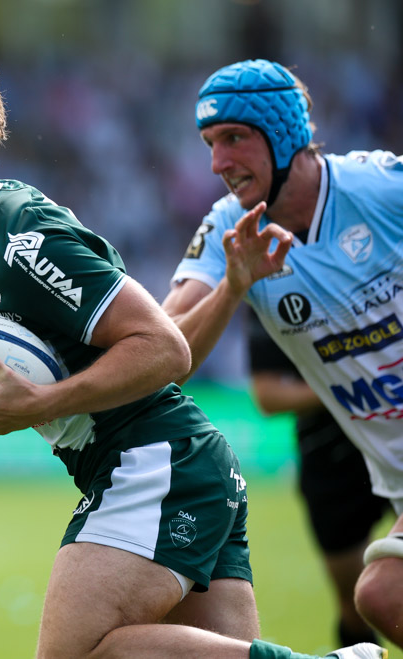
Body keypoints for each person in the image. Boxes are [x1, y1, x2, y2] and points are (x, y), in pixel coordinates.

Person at [0, 52, 384, 659]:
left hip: (155, 463)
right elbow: (31, 353)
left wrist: (44, 405)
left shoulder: (26, 236)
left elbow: (164, 347)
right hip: (180, 468)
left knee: (76, 654)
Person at [163, 58, 403, 650]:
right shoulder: (229, 229)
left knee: (382, 594)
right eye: (211, 144)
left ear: (285, 135)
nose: (219, 163)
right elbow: (164, 354)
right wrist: (233, 286)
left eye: (236, 138)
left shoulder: (379, 189)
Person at [247, 310, 389, 647]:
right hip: (330, 460)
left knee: (387, 594)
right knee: (356, 604)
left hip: (393, 440)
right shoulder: (272, 285)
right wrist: (348, 384)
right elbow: (267, 395)